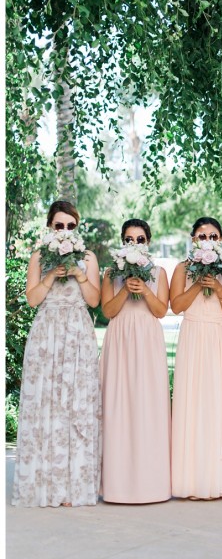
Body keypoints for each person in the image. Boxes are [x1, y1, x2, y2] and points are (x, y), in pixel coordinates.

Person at [12, 200, 101, 507]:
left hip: (77, 334)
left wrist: (79, 274)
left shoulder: (88, 258)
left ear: (77, 226)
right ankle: (45, 486)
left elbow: (93, 300)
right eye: (59, 225)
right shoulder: (40, 255)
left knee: (75, 405)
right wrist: (50, 276)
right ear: (50, 227)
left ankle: (72, 487)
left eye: (70, 225)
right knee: (47, 405)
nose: (64, 231)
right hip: (47, 335)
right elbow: (33, 299)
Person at [99, 218, 171, 504]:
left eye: (140, 239)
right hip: (120, 338)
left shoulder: (158, 271)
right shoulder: (110, 272)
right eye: (129, 239)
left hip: (147, 340)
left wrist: (145, 289)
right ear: (123, 242)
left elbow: (160, 310)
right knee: (118, 405)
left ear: (148, 242)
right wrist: (126, 290)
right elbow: (108, 310)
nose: (135, 244)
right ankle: (118, 484)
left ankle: (151, 484)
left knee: (148, 406)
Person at [170, 217, 222, 500]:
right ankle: (189, 480)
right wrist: (198, 284)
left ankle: (217, 479)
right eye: (201, 235)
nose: (207, 239)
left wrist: (220, 288)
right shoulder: (182, 269)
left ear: (220, 239)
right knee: (190, 404)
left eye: (212, 235)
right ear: (193, 239)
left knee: (218, 404)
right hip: (193, 336)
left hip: (218, 338)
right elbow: (176, 306)